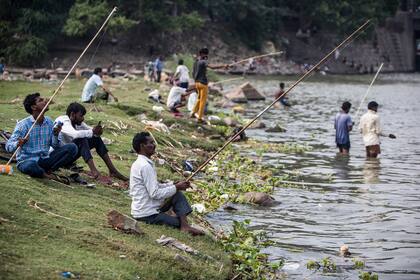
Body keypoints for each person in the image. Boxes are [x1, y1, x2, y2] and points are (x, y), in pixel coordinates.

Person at [129, 132, 204, 235]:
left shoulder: (141, 163)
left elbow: (155, 186)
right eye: (151, 143)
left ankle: (185, 225)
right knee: (177, 222)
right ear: (142, 146)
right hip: (146, 214)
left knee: (177, 194)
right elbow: (154, 193)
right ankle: (184, 226)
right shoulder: (145, 166)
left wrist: (173, 185)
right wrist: (176, 187)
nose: (154, 145)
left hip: (144, 209)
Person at [6, 93, 78, 182]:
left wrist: (55, 134)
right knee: (31, 166)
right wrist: (18, 143)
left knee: (72, 148)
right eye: (40, 100)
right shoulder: (23, 124)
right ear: (33, 107)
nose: (45, 101)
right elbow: (8, 146)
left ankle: (48, 171)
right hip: (27, 161)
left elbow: (55, 146)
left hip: (44, 159)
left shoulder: (49, 122)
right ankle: (47, 175)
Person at [55, 102, 128, 181]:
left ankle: (113, 170)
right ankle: (94, 172)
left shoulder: (78, 123)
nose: (83, 118)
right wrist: (92, 132)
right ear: (72, 114)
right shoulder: (63, 121)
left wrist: (97, 132)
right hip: (57, 157)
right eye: (81, 116)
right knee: (81, 139)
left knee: (95, 138)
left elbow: (90, 131)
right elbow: (75, 134)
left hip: (68, 156)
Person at [191, 48, 229, 123]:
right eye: (206, 54)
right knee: (203, 101)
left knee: (199, 99)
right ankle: (199, 118)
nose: (206, 56)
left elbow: (193, 73)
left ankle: (193, 113)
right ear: (203, 54)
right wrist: (223, 66)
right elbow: (212, 67)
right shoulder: (203, 61)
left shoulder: (196, 62)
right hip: (203, 84)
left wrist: (195, 81)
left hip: (197, 83)